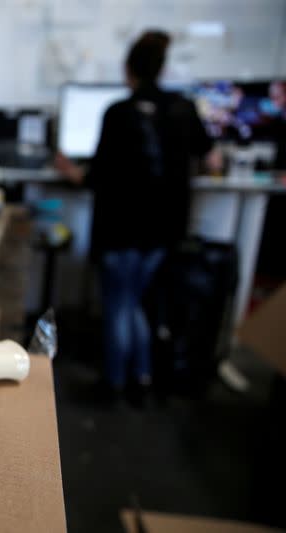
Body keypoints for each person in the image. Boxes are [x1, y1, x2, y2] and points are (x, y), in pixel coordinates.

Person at [55, 30, 218, 405]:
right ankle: (142, 379)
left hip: (120, 231)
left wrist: (67, 168)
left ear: (128, 70)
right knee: (136, 302)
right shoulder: (183, 108)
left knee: (118, 306)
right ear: (161, 68)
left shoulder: (119, 113)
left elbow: (95, 178)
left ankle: (114, 384)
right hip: (163, 234)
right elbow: (212, 159)